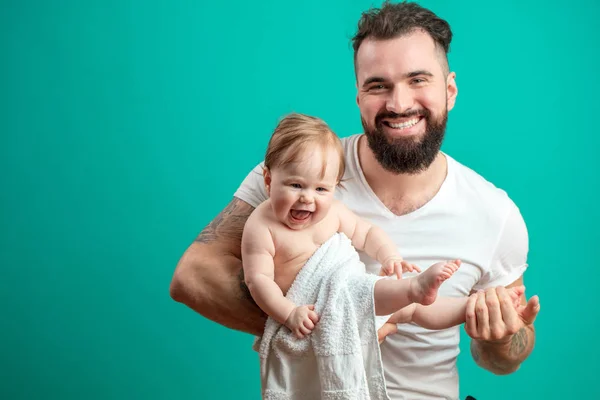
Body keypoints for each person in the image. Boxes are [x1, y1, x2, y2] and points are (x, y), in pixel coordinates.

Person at [170, 1, 541, 399]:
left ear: (449, 90)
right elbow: (194, 275)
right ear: (358, 96)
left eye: (418, 80)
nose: (399, 104)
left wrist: (501, 339)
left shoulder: (494, 213)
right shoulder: (297, 176)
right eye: (378, 85)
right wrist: (335, 334)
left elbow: (502, 362)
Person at [242, 112, 484, 340]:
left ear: (334, 187)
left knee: (413, 311)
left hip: (349, 290)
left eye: (321, 189)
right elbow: (259, 280)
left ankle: (471, 307)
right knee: (387, 297)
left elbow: (366, 233)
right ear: (268, 180)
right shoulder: (262, 227)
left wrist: (390, 257)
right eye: (295, 185)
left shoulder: (332, 212)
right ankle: (414, 287)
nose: (308, 198)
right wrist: (288, 313)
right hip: (317, 307)